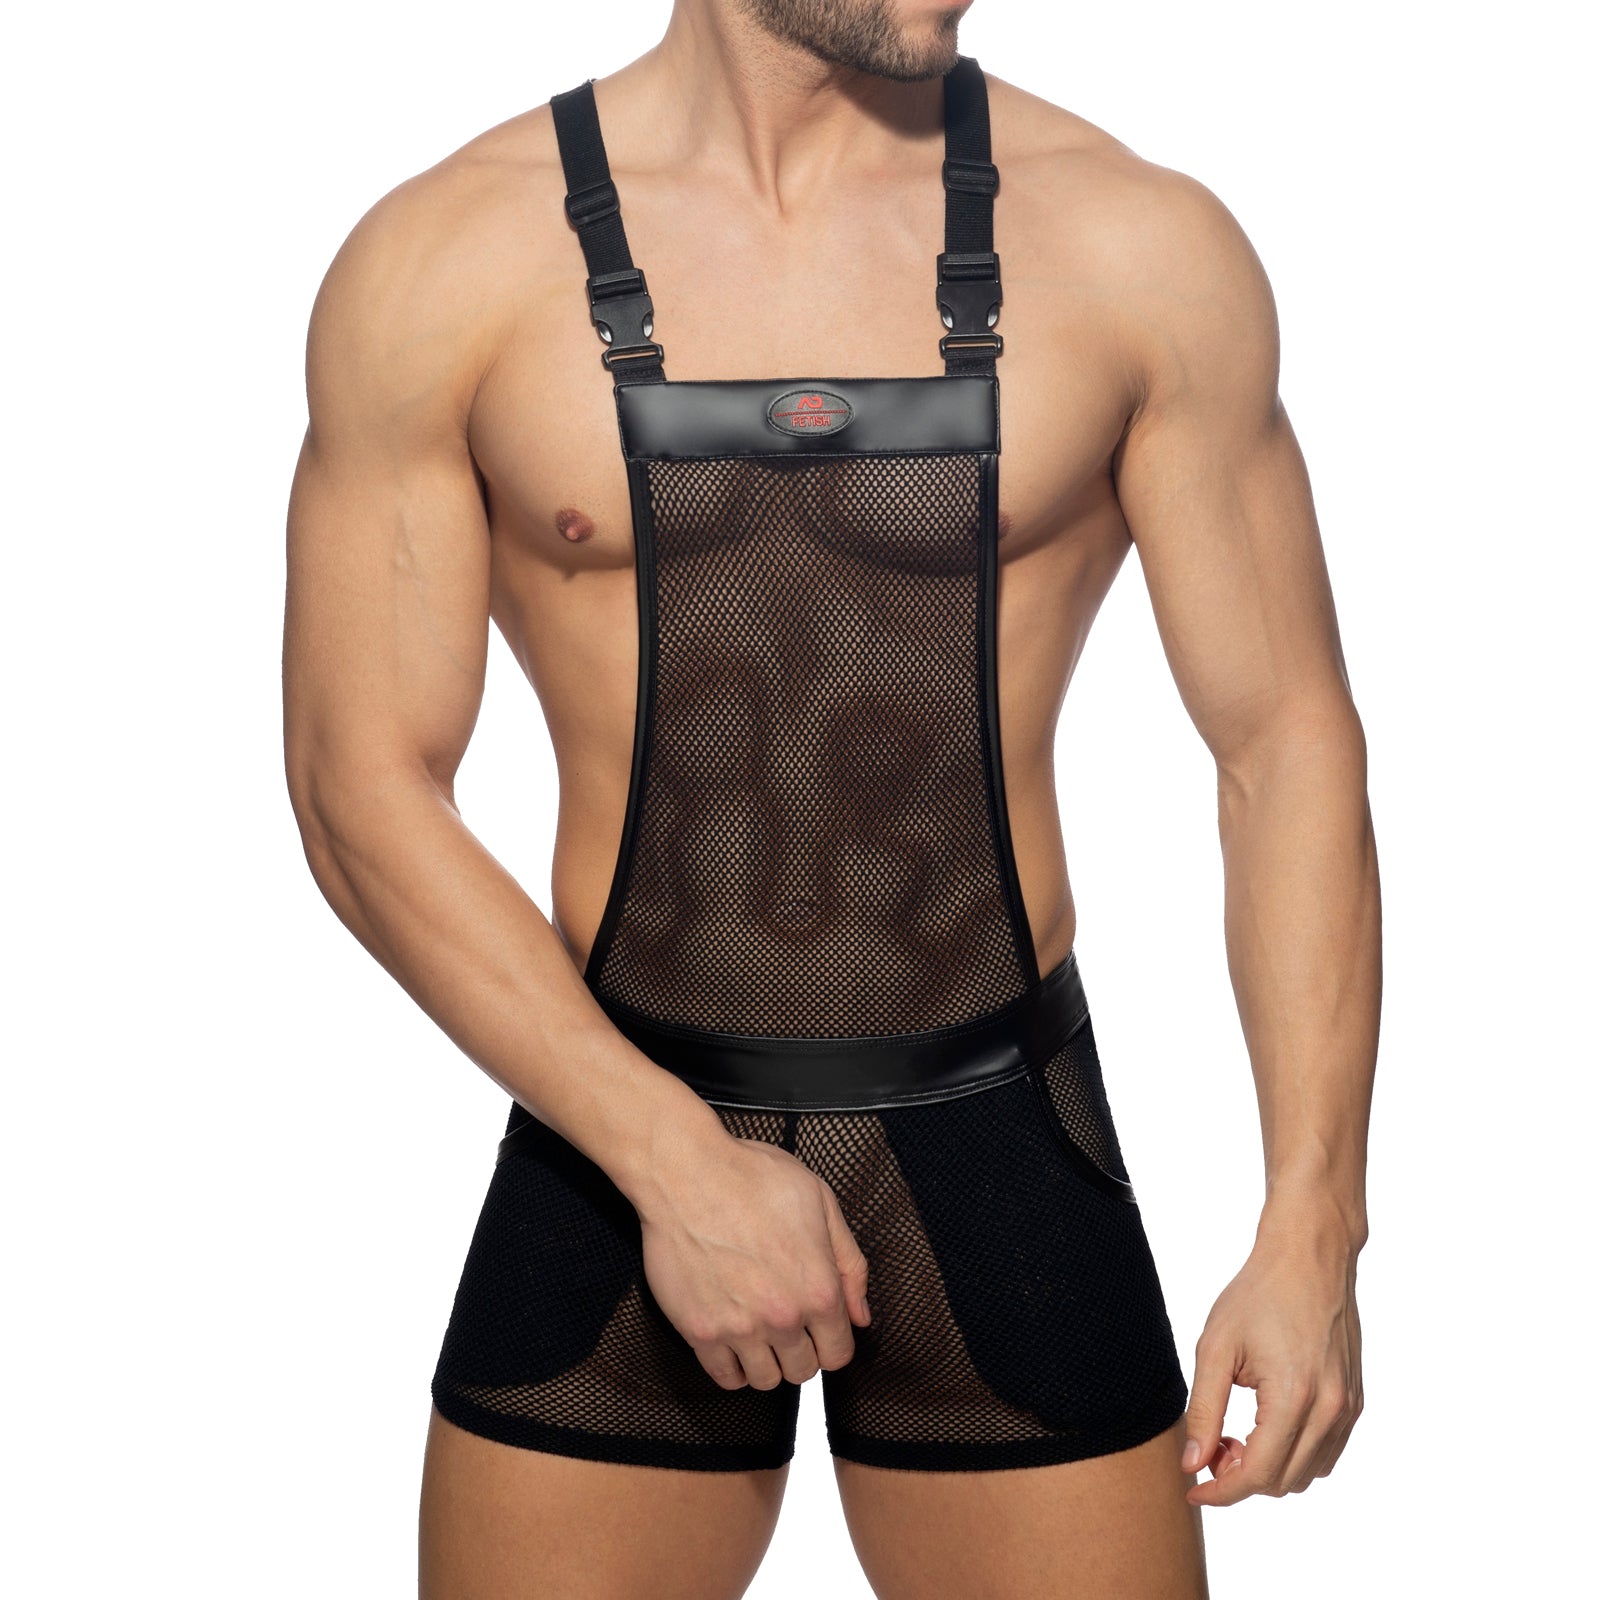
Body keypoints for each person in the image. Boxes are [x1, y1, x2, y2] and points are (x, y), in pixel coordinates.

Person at [283, 2, 1379, 1595]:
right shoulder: (448, 263)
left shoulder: (1136, 248)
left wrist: (1313, 1223)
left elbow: (1284, 740)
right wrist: (673, 1163)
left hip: (1003, 1134)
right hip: (617, 1133)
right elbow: (359, 788)